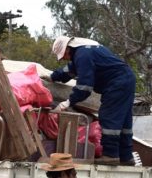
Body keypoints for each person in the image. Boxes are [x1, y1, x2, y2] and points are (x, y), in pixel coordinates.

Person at [47, 36, 136, 166]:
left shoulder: (82, 55)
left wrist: (68, 102)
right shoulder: (85, 51)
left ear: (68, 49)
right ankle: (126, 157)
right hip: (126, 80)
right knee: (123, 120)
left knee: (109, 116)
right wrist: (52, 76)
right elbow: (69, 70)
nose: (64, 59)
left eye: (63, 55)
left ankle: (110, 155)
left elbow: (85, 87)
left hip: (117, 84)